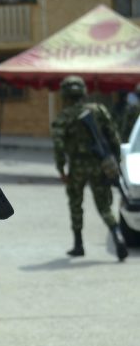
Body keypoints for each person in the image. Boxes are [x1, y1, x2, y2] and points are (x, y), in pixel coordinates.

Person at [51, 75, 127, 261]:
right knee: (104, 205)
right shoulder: (98, 109)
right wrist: (115, 161)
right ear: (83, 92)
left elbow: (59, 147)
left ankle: (78, 245)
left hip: (77, 167)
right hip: (100, 164)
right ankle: (117, 236)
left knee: (76, 204)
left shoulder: (63, 117)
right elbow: (114, 137)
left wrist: (61, 169)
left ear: (65, 95)